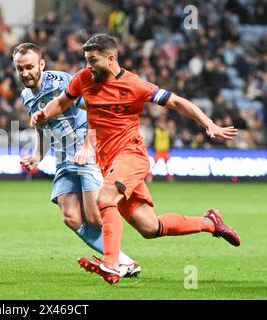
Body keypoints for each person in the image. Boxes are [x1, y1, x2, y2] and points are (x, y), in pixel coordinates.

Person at [31, 34, 241, 284]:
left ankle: (111, 264)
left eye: (93, 60)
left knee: (105, 197)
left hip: (131, 156)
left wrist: (209, 124)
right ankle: (210, 223)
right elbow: (62, 102)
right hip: (109, 163)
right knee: (150, 228)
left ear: (111, 59)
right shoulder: (84, 79)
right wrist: (44, 114)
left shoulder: (134, 85)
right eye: (86, 60)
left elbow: (176, 101)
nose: (88, 66)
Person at [13, 42, 140, 277]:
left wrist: (86, 146)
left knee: (94, 216)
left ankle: (117, 254)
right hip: (63, 159)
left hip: (87, 152)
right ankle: (125, 262)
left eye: (29, 66)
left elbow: (94, 106)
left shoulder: (60, 82)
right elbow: (43, 127)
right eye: (20, 68)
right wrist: (37, 156)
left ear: (41, 64)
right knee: (71, 217)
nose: (25, 73)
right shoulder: (25, 95)